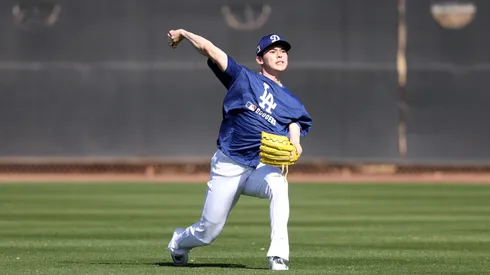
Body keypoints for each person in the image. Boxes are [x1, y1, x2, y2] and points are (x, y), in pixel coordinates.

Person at [166, 29, 312, 271]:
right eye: (272, 51)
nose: (280, 55)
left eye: (283, 51)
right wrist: (183, 33)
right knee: (208, 231)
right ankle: (179, 242)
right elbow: (210, 49)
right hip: (229, 163)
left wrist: (295, 142)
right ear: (259, 59)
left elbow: (294, 121)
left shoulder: (292, 101)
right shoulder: (243, 78)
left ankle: (278, 256)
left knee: (279, 185)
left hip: (259, 167)